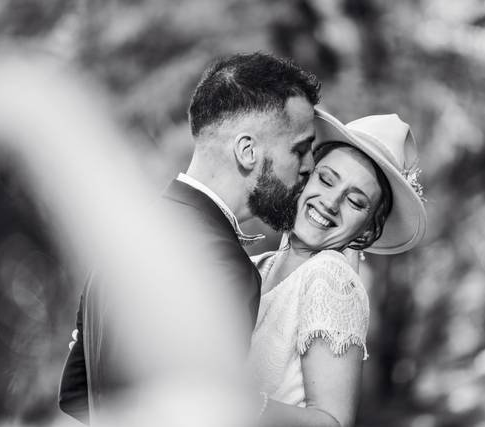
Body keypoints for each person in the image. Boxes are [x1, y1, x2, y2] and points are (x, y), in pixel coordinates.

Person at [58, 52, 321, 424]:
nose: (309, 165)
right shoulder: (221, 264)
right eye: (299, 148)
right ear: (247, 151)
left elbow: (75, 396)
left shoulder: (126, 241)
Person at [248, 108, 427, 427]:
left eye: (356, 202)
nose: (331, 202)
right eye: (326, 179)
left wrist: (237, 403)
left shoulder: (330, 278)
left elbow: (332, 421)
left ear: (367, 229)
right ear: (304, 176)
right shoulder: (253, 267)